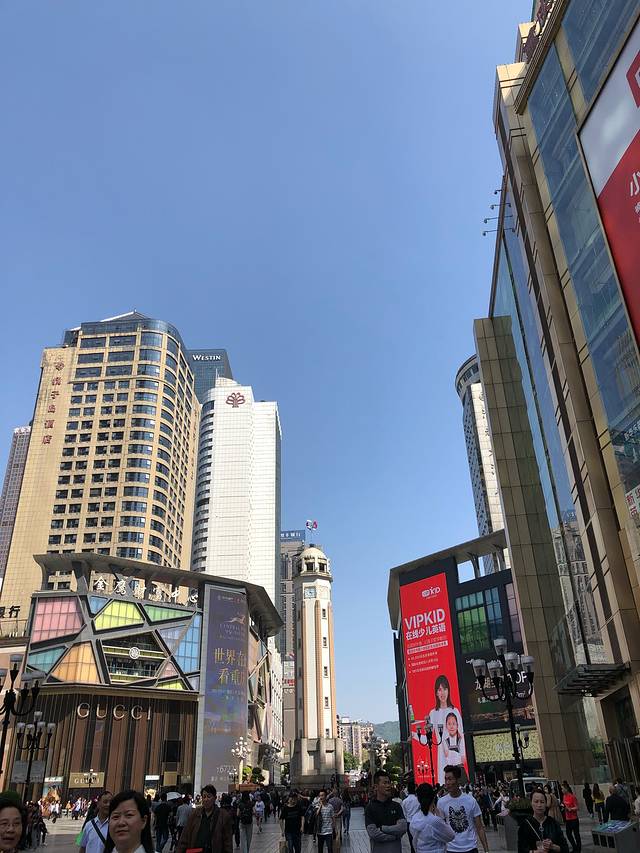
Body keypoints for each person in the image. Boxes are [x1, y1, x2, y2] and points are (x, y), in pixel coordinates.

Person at [438, 765, 489, 853]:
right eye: (446, 779)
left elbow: (480, 827)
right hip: (451, 849)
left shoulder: (471, 801)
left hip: (470, 848)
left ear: (458, 780)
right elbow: (441, 828)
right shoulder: (441, 802)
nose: (447, 782)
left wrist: (486, 850)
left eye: (450, 779)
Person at [428, 676, 463, 785]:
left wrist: (462, 756)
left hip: (455, 754)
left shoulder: (455, 711)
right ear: (436, 692)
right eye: (439, 689)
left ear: (448, 690)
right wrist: (415, 735)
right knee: (444, 783)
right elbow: (428, 737)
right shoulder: (433, 713)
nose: (442, 693)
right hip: (442, 756)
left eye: (445, 689)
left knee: (457, 782)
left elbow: (462, 736)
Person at [176, 786, 232, 853]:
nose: (206, 799)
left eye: (209, 796)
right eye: (204, 797)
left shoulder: (223, 816)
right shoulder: (195, 814)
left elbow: (227, 842)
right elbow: (185, 836)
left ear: (215, 798)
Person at [364, 770, 407, 853]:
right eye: (385, 783)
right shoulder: (370, 808)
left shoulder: (396, 806)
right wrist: (394, 836)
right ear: (376, 787)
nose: (388, 786)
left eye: (389, 783)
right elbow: (373, 833)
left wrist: (382, 828)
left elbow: (402, 828)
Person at [409, 783, 454, 853]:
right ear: (433, 798)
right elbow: (451, 836)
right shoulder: (434, 820)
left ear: (418, 799)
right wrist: (441, 818)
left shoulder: (414, 818)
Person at [560, 784, 580, 853]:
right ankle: (574, 847)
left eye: (562, 788)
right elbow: (565, 805)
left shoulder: (572, 797)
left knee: (576, 834)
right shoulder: (564, 796)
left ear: (566, 789)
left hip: (574, 819)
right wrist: (563, 808)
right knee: (568, 834)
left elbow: (577, 807)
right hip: (568, 819)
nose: (561, 790)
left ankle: (578, 849)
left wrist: (571, 809)